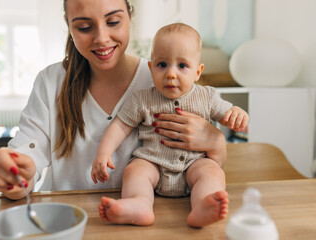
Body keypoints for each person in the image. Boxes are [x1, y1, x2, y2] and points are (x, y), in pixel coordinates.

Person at [0, 0, 228, 201]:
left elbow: (201, 169)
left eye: (113, 22)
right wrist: (16, 176)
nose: (101, 38)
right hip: (66, 219)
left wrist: (216, 143)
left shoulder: (165, 80)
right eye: (84, 27)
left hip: (142, 223)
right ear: (69, 27)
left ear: (130, 17)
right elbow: (27, 152)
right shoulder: (50, 82)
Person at [91, 23, 249, 227]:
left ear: (198, 72)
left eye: (182, 66)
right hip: (152, 162)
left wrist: (238, 113)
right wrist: (103, 154)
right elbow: (120, 126)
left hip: (194, 163)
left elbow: (228, 113)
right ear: (150, 67)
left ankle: (203, 205)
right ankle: (139, 204)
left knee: (212, 172)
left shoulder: (207, 96)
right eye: (162, 65)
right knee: (134, 171)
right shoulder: (142, 99)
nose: (171, 74)